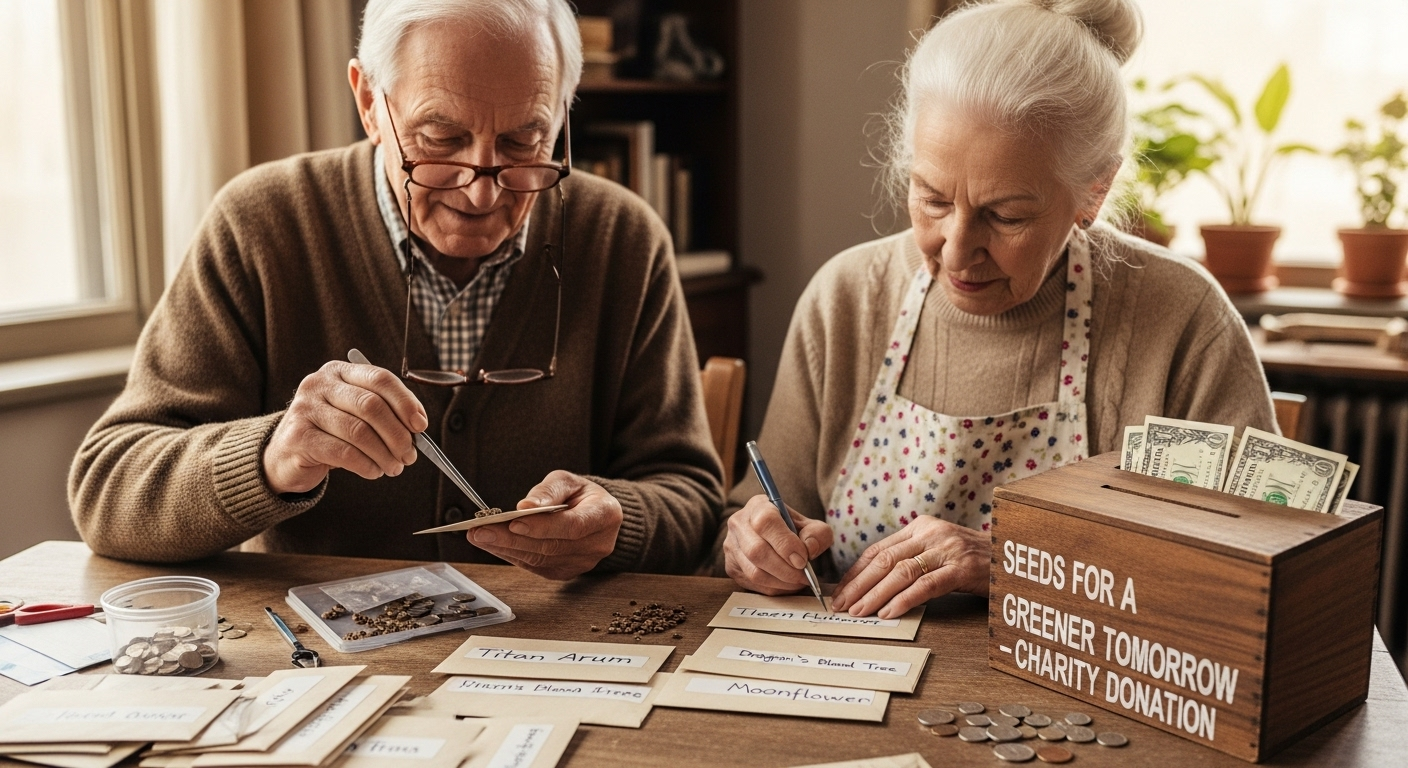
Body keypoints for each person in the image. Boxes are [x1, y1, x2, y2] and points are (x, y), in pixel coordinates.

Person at [69, 0, 723, 577]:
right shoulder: (261, 224)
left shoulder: (623, 237)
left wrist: (620, 521)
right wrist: (272, 455)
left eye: (526, 143)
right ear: (368, 102)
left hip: (556, 667)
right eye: (441, 139)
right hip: (322, 676)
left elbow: (692, 501)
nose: (481, 190)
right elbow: (108, 489)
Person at [715, 0, 1275, 618]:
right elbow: (752, 519)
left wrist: (1013, 561)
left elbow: (1249, 579)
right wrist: (752, 547)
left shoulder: (1182, 319)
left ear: (1095, 191)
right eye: (931, 198)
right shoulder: (846, 299)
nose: (957, 251)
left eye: (1005, 216)